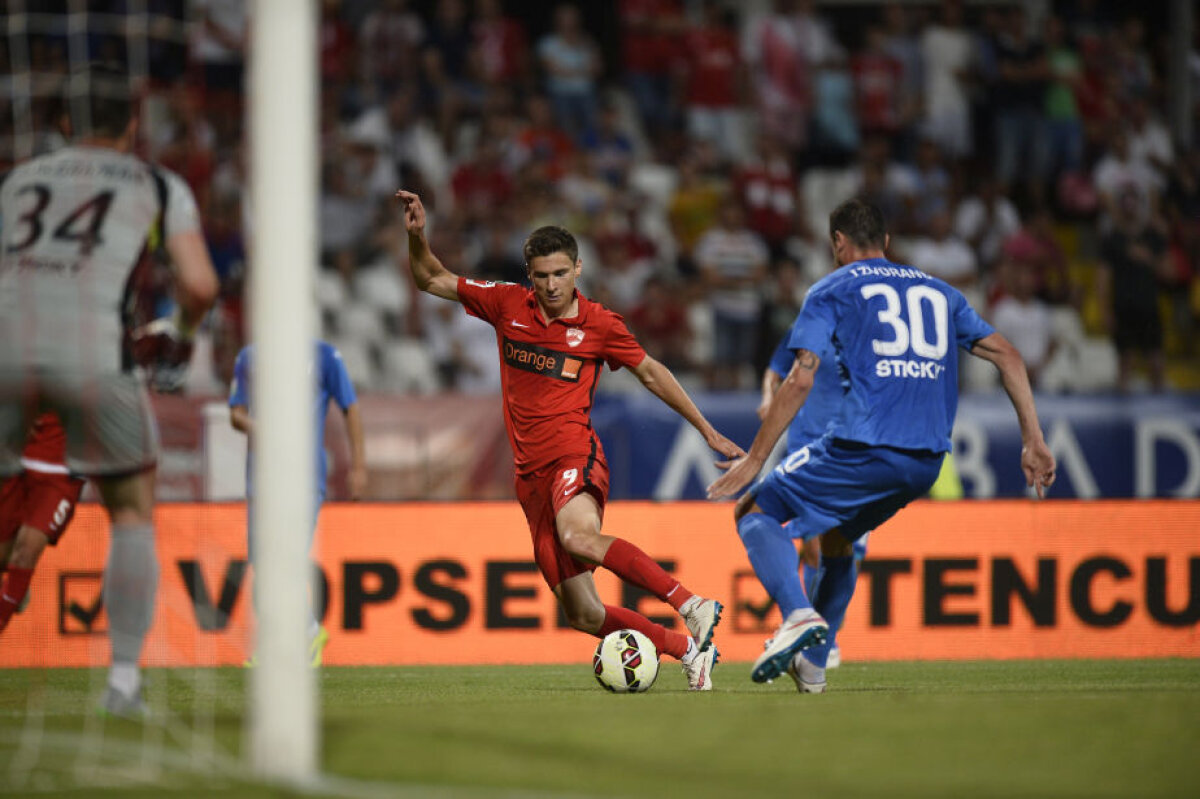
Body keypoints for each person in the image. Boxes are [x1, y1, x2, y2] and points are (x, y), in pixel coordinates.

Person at [396, 189, 743, 690]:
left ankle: (691, 604)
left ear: (578, 269)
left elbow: (650, 372)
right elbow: (430, 277)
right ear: (528, 276)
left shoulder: (599, 323)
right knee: (583, 612)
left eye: (561, 273)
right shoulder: (506, 304)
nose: (552, 285)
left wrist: (706, 429)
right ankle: (688, 650)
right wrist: (417, 236)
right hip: (528, 476)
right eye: (542, 276)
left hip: (574, 453)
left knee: (578, 535)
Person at [708, 199, 1055, 693]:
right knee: (838, 541)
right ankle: (814, 664)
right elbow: (1009, 355)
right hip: (925, 462)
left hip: (862, 447)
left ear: (838, 244)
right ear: (886, 243)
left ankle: (797, 615)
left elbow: (800, 377)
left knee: (752, 508)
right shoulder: (941, 292)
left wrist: (757, 459)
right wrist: (1034, 441)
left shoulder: (830, 287)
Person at [0, 63, 219, 716]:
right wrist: (179, 332)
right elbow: (202, 285)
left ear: (63, 124)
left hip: (8, 350)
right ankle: (123, 682)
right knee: (130, 510)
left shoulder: (17, 180)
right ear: (131, 125)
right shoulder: (155, 182)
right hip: (95, 353)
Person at [229, 340, 367, 667]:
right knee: (263, 566)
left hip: (303, 477)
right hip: (260, 479)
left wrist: (359, 468)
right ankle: (299, 633)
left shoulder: (325, 355)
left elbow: (351, 409)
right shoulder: (250, 356)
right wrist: (258, 427)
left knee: (286, 560)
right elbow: (236, 413)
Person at [0, 414, 86, 633]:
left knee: (26, 551)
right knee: (6, 558)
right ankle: (14, 586)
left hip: (61, 472)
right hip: (17, 462)